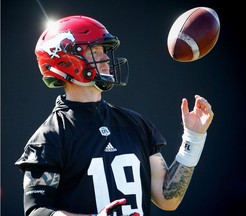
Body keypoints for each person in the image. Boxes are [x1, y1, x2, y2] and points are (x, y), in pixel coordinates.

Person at [15, 15, 214, 216]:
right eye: (95, 50)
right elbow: (36, 211)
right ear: (66, 59)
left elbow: (167, 199)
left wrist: (193, 138)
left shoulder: (134, 123)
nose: (106, 58)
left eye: (104, 50)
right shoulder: (50, 137)